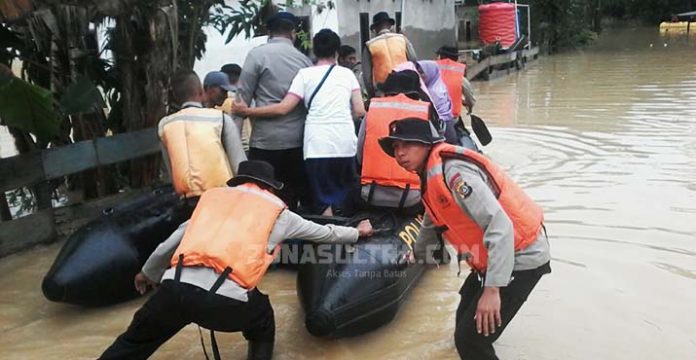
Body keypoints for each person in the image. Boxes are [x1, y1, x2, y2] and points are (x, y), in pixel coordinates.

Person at [98, 160, 375, 360]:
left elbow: (168, 245)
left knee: (132, 343)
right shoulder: (278, 214)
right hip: (224, 302)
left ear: (239, 182)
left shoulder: (211, 201)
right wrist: (357, 232)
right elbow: (325, 233)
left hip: (172, 291)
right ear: (270, 188)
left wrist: (147, 274)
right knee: (263, 316)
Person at [378, 118, 551, 360]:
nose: (400, 153)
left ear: (428, 145)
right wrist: (418, 254)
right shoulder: (431, 174)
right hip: (493, 258)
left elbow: (498, 224)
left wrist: (493, 290)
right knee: (464, 325)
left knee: (470, 339)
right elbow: (433, 217)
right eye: (395, 147)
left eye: (408, 144)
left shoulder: (455, 173)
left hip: (521, 258)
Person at [232, 29, 366, 216]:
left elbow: (283, 108)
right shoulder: (347, 75)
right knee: (345, 197)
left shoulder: (304, 75)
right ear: (337, 52)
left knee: (323, 201)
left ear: (315, 51)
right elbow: (359, 110)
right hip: (344, 143)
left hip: (316, 145)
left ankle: (328, 235)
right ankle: (349, 235)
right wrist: (341, 119)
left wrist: (247, 111)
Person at [236, 11, 313, 210]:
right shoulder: (303, 60)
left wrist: (233, 145)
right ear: (293, 33)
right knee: (290, 202)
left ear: (269, 32)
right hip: (296, 144)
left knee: (260, 201)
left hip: (264, 143)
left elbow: (240, 103)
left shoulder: (256, 55)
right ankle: (291, 239)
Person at [356, 70, 437, 210]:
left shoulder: (373, 109)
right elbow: (435, 158)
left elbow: (359, 155)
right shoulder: (424, 111)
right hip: (413, 197)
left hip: (370, 194)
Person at [158, 70, 246, 199]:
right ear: (201, 92)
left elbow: (171, 171)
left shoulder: (165, 125)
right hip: (223, 197)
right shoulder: (221, 119)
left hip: (187, 201)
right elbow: (240, 167)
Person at [362, 11, 418, 97]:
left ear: (375, 28)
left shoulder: (369, 45)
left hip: (384, 92)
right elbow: (413, 59)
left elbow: (367, 77)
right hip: (406, 88)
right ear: (389, 25)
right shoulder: (402, 39)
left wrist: (372, 95)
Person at [436, 45, 476, 116]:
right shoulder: (460, 77)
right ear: (456, 59)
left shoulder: (431, 72)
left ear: (440, 57)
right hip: (451, 117)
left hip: (432, 117)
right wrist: (469, 106)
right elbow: (470, 99)